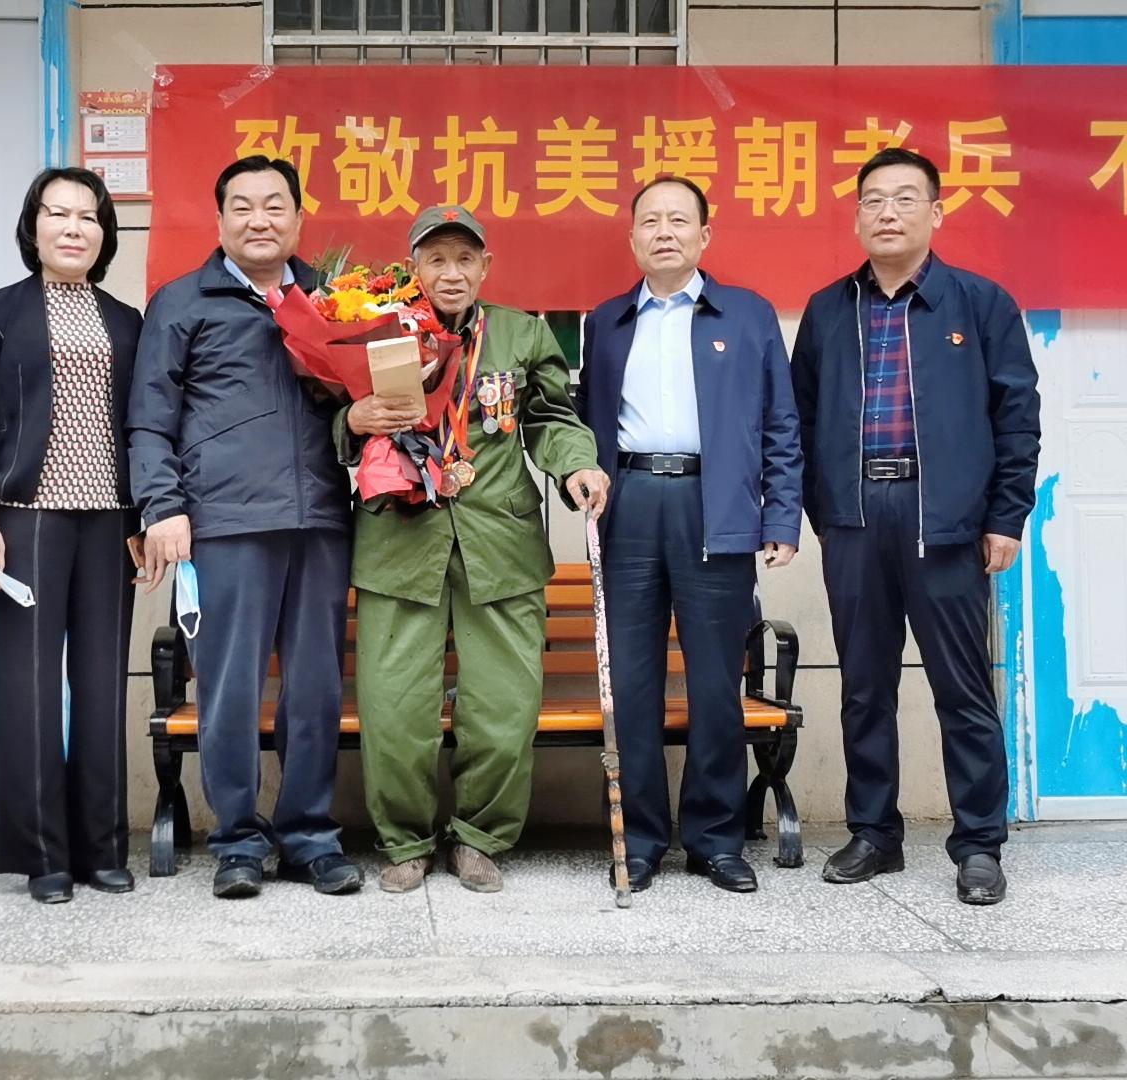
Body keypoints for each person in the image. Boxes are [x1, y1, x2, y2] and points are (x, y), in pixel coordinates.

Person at [790, 148, 1040, 906]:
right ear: (856, 217)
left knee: (962, 689)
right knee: (864, 688)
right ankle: (875, 833)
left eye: (905, 198)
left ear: (936, 212)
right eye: (873, 200)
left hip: (946, 523)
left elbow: (1016, 416)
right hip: (857, 519)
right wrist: (825, 511)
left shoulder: (980, 304)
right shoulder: (829, 309)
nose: (888, 213)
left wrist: (1005, 515)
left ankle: (979, 844)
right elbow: (800, 420)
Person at [340, 205, 609, 894]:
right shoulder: (376, 331)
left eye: (465, 259)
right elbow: (329, 421)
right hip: (400, 542)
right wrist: (352, 420)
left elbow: (552, 417)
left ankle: (481, 838)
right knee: (395, 707)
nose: (451, 273)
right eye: (437, 259)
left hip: (501, 543)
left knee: (503, 707)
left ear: (486, 266)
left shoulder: (521, 333)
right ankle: (405, 841)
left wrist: (576, 464)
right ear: (414, 268)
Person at [127, 156, 362, 900]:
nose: (259, 220)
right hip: (225, 525)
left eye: (274, 205)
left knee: (315, 689)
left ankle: (309, 836)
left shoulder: (333, 300)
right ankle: (236, 839)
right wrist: (161, 505)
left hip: (320, 520)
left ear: (298, 216)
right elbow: (149, 418)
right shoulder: (181, 301)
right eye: (243, 206)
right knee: (229, 690)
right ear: (220, 218)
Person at [577, 176, 803, 895]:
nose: (664, 232)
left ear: (705, 235)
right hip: (631, 502)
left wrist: (781, 517)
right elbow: (582, 426)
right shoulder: (605, 322)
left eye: (679, 220)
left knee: (714, 683)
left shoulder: (748, 314)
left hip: (718, 506)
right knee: (633, 684)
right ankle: (641, 839)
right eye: (650, 221)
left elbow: (781, 425)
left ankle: (715, 838)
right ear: (632, 237)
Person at [0, 167, 143, 904]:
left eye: (88, 217)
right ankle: (43, 856)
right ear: (33, 227)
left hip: (110, 523)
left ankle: (102, 847)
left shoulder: (126, 319)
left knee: (101, 685)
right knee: (30, 686)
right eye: (57, 213)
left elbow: (141, 425)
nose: (73, 228)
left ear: (104, 233)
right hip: (25, 518)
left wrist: (144, 516)